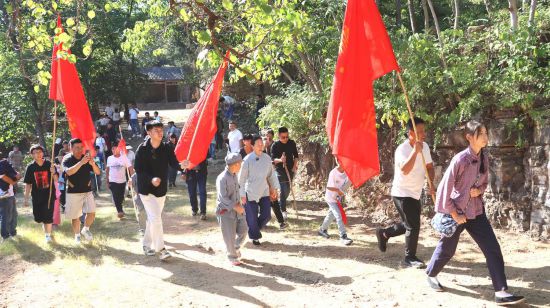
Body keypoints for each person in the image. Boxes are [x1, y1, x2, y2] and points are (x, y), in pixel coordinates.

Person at [425, 120, 525, 306]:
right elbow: (444, 190)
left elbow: (484, 183)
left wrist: (479, 191)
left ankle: (501, 292)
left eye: (486, 133)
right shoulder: (460, 160)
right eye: (482, 134)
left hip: (476, 212)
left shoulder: (484, 158)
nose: (486, 137)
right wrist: (455, 215)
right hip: (458, 212)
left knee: (492, 248)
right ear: (470, 137)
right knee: (447, 249)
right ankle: (431, 274)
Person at [376, 117, 435, 268]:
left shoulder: (425, 147)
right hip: (402, 192)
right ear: (410, 133)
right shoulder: (402, 149)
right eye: (420, 131)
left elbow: (429, 167)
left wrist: (431, 182)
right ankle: (410, 257)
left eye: (424, 131)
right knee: (413, 225)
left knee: (409, 223)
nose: (423, 134)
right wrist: (415, 152)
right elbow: (405, 170)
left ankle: (384, 233)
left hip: (415, 191)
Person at [134, 120, 183, 260]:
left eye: (161, 130)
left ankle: (146, 244)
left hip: (161, 189)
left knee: (152, 218)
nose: (160, 133)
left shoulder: (167, 147)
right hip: (146, 189)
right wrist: (151, 179)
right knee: (156, 218)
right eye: (156, 131)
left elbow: (174, 163)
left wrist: (182, 166)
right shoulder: (142, 149)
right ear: (149, 133)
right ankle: (161, 249)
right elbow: (139, 170)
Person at [238, 135, 280, 246]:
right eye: (258, 144)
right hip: (250, 192)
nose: (261, 146)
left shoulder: (267, 158)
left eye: (262, 144)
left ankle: (253, 228)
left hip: (264, 191)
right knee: (252, 217)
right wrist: (242, 194)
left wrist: (274, 188)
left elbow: (272, 175)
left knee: (267, 215)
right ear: (252, 146)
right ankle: (255, 236)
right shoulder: (247, 160)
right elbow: (241, 180)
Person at [62, 138, 101, 244]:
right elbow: (69, 172)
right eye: (77, 147)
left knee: (92, 212)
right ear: (71, 148)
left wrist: (92, 164)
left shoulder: (86, 158)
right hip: (73, 192)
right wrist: (81, 163)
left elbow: (98, 172)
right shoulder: (67, 160)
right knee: (75, 216)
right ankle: (77, 235)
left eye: (81, 147)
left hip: (87, 191)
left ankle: (86, 229)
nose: (79, 150)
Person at [216, 153, 247, 266]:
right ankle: (232, 256)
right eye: (240, 164)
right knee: (229, 235)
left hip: (237, 209)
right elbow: (222, 198)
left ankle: (235, 248)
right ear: (235, 164)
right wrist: (235, 206)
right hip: (225, 211)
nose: (241, 166)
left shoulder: (235, 175)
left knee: (244, 230)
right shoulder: (222, 178)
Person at [23, 145, 58, 243]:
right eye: (35, 153)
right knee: (39, 216)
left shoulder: (49, 164)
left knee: (48, 215)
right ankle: (46, 229)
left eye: (39, 152)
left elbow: (56, 179)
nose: (38, 154)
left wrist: (54, 172)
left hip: (49, 194)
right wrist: (26, 198)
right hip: (37, 196)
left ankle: (48, 235)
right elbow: (28, 184)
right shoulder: (30, 167)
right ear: (32, 155)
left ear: (42, 153)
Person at [318, 160, 353, 245]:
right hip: (330, 198)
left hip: (337, 198)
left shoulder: (347, 172)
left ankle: (322, 230)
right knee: (338, 215)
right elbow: (329, 187)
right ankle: (343, 236)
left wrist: (343, 190)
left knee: (331, 214)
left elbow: (348, 183)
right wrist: (338, 190)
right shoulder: (333, 173)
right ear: (340, 163)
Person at [271, 127, 299, 220]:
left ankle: (279, 205)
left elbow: (296, 155)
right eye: (283, 137)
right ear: (279, 136)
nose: (286, 139)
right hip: (279, 171)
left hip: (290, 170)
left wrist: (295, 166)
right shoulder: (275, 145)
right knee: (284, 189)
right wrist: (280, 160)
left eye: (287, 136)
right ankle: (283, 210)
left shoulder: (291, 143)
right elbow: (273, 160)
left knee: (287, 191)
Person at [263, 135, 287, 230]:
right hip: (260, 183)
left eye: (268, 139)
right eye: (265, 139)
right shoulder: (257, 154)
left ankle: (281, 222)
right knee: (264, 203)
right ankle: (263, 222)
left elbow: (271, 167)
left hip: (269, 180)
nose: (267, 141)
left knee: (274, 201)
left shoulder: (269, 150)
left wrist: (272, 186)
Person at [106, 140, 134, 219]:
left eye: (116, 148)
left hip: (122, 181)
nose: (114, 150)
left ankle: (120, 207)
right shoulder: (109, 158)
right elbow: (107, 169)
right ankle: (119, 211)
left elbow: (130, 167)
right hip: (113, 181)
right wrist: (107, 180)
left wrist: (132, 177)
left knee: (121, 196)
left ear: (119, 149)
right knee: (115, 195)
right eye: (113, 149)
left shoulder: (124, 157)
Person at [0, 154, 21, 242]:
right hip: (4, 194)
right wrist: (13, 181)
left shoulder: (4, 163)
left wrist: (16, 177)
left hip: (10, 193)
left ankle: (12, 233)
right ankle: (5, 236)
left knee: (13, 214)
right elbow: (1, 175)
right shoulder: (2, 163)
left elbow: (15, 176)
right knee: (6, 216)